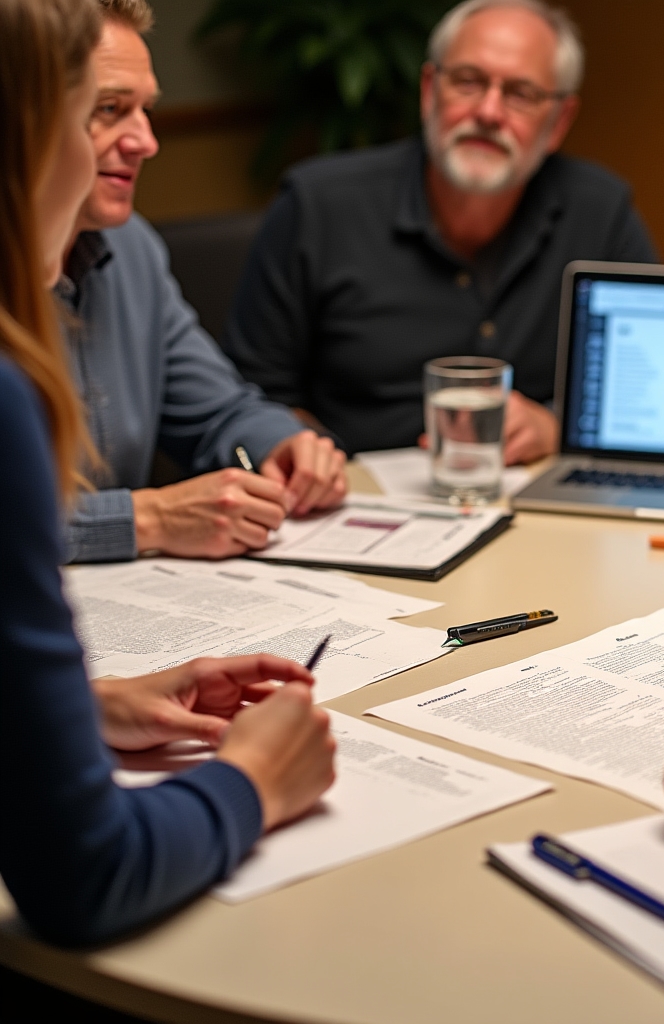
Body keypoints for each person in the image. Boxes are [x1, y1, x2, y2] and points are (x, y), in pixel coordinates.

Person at [0, 0, 335, 946]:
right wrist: (254, 782)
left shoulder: (133, 253)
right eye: (100, 111)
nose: (144, 142)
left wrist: (86, 710)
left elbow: (220, 401)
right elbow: (85, 875)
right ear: (31, 129)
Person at [221, 0, 657, 465]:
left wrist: (553, 426)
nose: (489, 112)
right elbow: (248, 394)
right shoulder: (318, 206)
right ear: (429, 90)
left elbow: (642, 388)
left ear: (559, 122)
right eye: (468, 82)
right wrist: (308, 455)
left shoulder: (601, 211)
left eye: (520, 94)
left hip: (535, 503)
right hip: (352, 506)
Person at [60, 0, 348, 565]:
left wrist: (280, 446)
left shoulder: (132, 247)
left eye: (146, 109)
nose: (146, 140)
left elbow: (219, 414)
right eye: (112, 108)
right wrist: (147, 519)